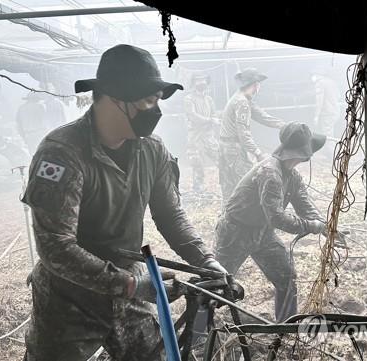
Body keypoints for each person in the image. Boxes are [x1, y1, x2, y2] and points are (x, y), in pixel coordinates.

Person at [21, 44, 226, 361]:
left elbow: (171, 215)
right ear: (115, 98)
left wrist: (205, 260)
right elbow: (55, 246)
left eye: (157, 101)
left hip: (130, 289)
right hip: (69, 299)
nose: (155, 111)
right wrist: (129, 284)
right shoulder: (62, 153)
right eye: (147, 101)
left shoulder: (152, 151)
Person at [215, 122, 344, 321]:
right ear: (303, 152)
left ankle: (285, 328)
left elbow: (304, 204)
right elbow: (277, 218)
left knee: (286, 278)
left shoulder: (291, 175)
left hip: (262, 233)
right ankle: (197, 335)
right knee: (216, 285)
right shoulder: (270, 174)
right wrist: (311, 226)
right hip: (235, 232)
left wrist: (327, 227)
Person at [218, 68, 286, 202]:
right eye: (258, 83)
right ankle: (244, 217)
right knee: (246, 185)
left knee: (228, 187)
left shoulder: (242, 98)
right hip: (234, 149)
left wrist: (284, 125)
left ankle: (227, 217)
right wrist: (258, 152)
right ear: (255, 84)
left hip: (225, 147)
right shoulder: (242, 102)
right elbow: (243, 135)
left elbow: (262, 116)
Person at [183, 74, 219, 193]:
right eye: (198, 80)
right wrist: (209, 120)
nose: (201, 82)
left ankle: (225, 183)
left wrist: (213, 120)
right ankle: (198, 189)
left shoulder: (209, 99)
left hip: (209, 136)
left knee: (219, 158)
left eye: (203, 80)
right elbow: (193, 116)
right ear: (193, 83)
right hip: (195, 136)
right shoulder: (189, 99)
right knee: (197, 162)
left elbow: (214, 114)